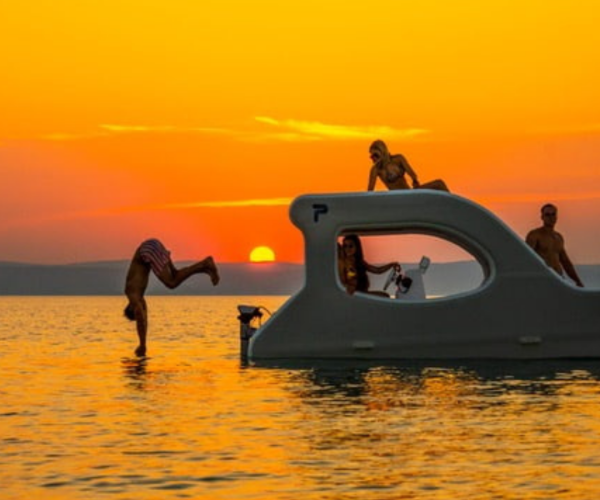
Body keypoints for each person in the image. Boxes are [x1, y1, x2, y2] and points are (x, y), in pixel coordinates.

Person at [124, 238, 220, 355]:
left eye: (137, 315)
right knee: (175, 275)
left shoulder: (130, 292)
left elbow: (140, 315)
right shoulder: (139, 296)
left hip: (148, 251)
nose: (141, 313)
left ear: (130, 308)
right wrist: (144, 343)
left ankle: (204, 263)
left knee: (171, 283)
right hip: (152, 246)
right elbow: (144, 319)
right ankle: (204, 268)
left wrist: (142, 345)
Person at [525, 204, 584, 287]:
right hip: (543, 280)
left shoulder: (558, 237)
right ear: (542, 217)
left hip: (559, 279)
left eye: (553, 214)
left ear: (556, 216)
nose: (551, 217)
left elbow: (565, 262)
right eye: (547, 215)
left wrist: (578, 281)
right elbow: (527, 258)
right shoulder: (535, 235)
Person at [367, 139, 449, 192]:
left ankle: (453, 206)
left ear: (383, 152)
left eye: (375, 155)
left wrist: (415, 181)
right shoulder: (376, 170)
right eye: (371, 156)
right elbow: (370, 190)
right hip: (397, 197)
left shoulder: (398, 159)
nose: (373, 158)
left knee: (439, 183)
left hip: (408, 193)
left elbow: (412, 173)